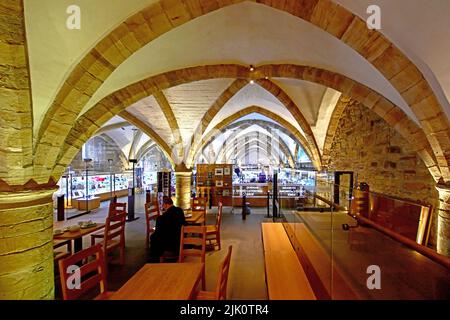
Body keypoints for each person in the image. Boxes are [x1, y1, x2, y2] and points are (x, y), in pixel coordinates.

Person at [148, 196, 186, 262]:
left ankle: (154, 261)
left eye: (162, 204)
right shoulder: (180, 211)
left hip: (170, 245)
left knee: (153, 237)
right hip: (181, 241)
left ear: (165, 204)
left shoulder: (161, 218)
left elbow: (158, 234)